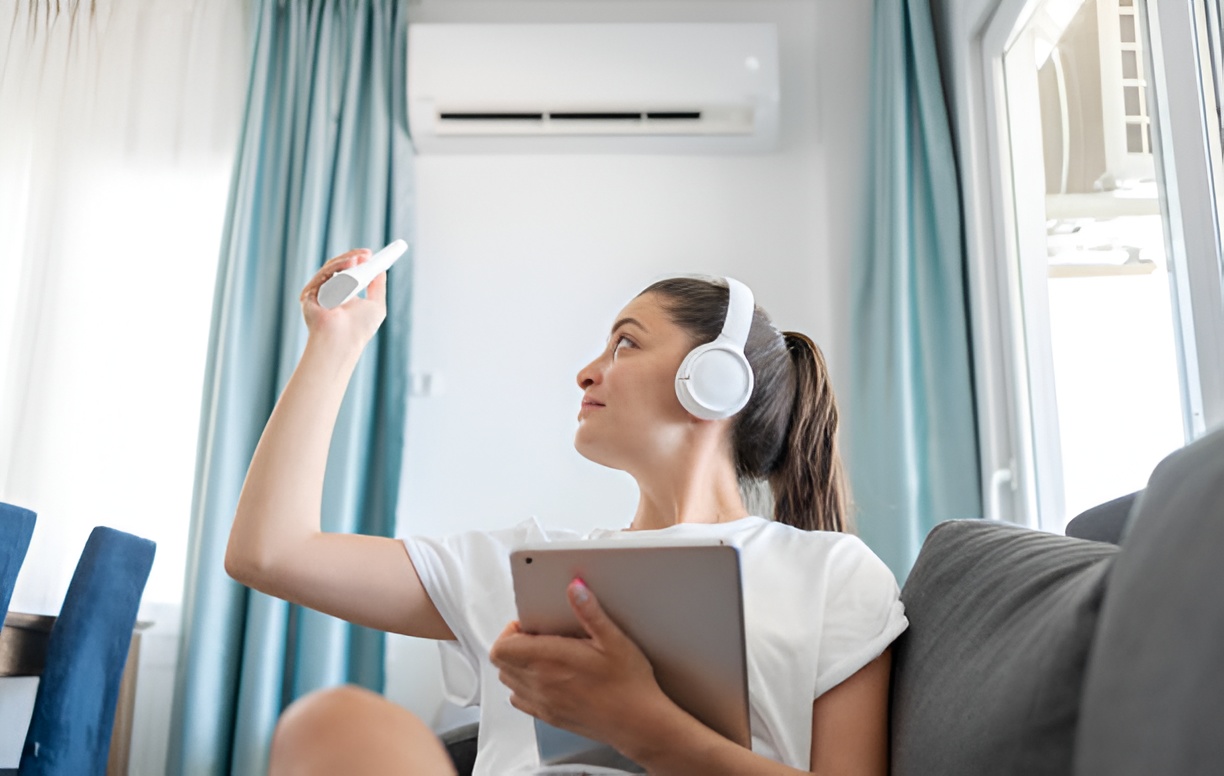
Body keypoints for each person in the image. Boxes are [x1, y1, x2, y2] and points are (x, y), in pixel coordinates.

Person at [225, 248, 908, 776]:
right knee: (332, 719)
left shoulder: (831, 572)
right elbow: (270, 552)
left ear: (715, 377)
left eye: (626, 343)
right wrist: (335, 341)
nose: (587, 371)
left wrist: (639, 722)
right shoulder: (520, 564)